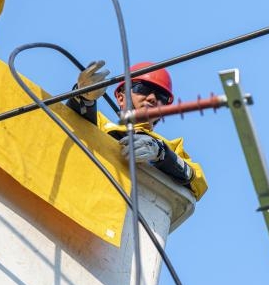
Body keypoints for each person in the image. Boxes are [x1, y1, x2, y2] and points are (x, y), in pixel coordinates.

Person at [67, 61, 208, 200]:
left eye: (161, 97)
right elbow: (73, 123)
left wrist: (161, 153)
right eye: (143, 89)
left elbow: (198, 182)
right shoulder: (100, 123)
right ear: (121, 98)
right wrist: (83, 97)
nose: (153, 98)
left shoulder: (171, 147)